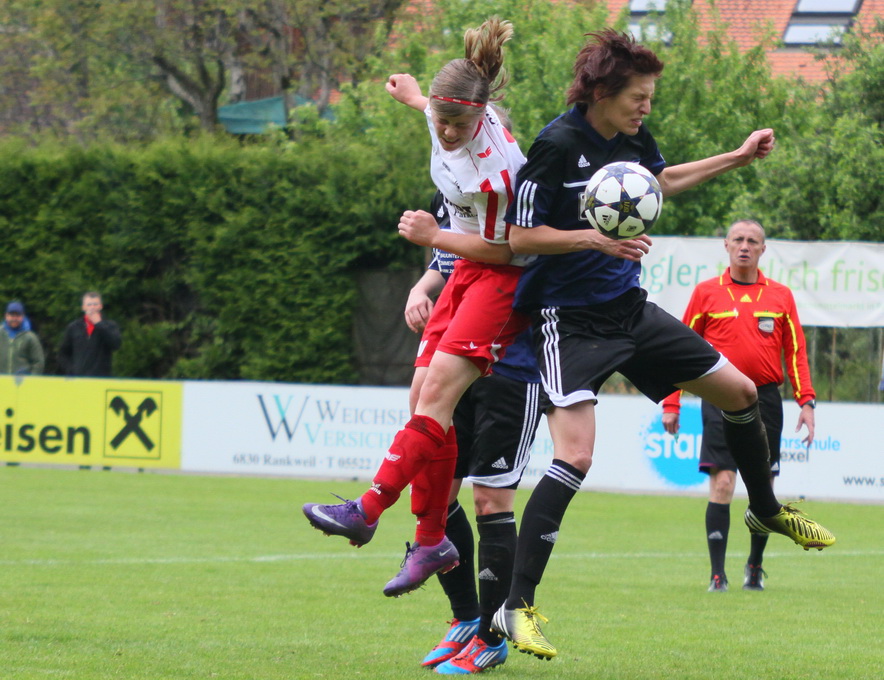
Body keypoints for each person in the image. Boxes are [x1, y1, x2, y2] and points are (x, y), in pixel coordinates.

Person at [487, 29, 835, 661]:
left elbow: (660, 180)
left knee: (740, 391)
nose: (646, 107)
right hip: (569, 321)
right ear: (601, 92)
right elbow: (518, 237)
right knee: (576, 458)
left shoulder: (632, 140)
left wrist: (736, 158)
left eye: (650, 97)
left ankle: (764, 510)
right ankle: (517, 606)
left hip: (629, 308)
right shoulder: (556, 144)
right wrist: (593, 239)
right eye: (638, 97)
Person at [303, 17, 532, 603]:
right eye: (441, 119)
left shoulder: (497, 171)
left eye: (458, 124)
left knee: (434, 402)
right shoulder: (445, 115)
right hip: (465, 276)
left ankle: (368, 508)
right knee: (423, 406)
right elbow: (434, 112)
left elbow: (507, 250)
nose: (447, 131)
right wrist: (413, 97)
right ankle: (431, 540)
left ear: (482, 118)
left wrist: (433, 236)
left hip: (500, 279)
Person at [407, 192, 543, 674]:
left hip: (512, 368)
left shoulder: (520, 188)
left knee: (490, 501)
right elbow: (447, 258)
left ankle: (491, 636)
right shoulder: (452, 187)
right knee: (436, 493)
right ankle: (465, 617)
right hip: (454, 359)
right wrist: (421, 287)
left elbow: (509, 252)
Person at [662, 219, 817, 593]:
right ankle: (717, 575)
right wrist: (671, 401)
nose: (744, 246)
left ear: (763, 249)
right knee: (723, 482)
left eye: (752, 240)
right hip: (719, 396)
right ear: (726, 246)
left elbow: (796, 351)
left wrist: (807, 401)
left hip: (766, 400)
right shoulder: (706, 293)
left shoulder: (780, 295)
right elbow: (680, 349)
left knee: (763, 487)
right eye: (738, 239)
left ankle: (755, 565)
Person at [58, 291, 122, 377]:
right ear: (83, 307)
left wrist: (99, 324)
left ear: (100, 306)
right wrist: (71, 370)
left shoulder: (110, 325)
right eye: (89, 305)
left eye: (95, 304)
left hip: (102, 378)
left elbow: (116, 344)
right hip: (78, 378)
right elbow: (63, 353)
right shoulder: (74, 327)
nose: (92, 307)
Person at [0, 301, 45, 375]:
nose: (14, 318)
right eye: (12, 315)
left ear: (23, 316)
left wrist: (32, 379)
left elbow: (38, 362)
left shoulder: (30, 337)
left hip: (22, 381)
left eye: (18, 315)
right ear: (6, 316)